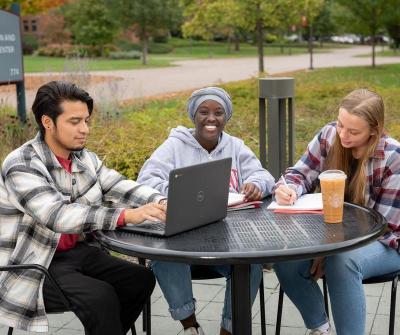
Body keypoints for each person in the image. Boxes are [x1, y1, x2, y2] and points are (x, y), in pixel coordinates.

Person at [0, 81, 168, 334]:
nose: (84, 129)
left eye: (87, 121)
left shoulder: (84, 158)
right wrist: (125, 216)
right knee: (101, 297)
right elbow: (56, 215)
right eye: (74, 121)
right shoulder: (21, 164)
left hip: (79, 253)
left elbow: (120, 185)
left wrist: (161, 201)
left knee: (140, 279)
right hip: (32, 263)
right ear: (48, 122)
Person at [137, 86, 275, 335]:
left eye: (218, 112)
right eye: (204, 112)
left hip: (229, 240)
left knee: (251, 265)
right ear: (193, 115)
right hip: (183, 239)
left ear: (226, 116)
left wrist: (257, 184)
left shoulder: (236, 146)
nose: (211, 118)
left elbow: (263, 175)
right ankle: (190, 326)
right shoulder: (175, 146)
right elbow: (145, 180)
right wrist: (177, 191)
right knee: (162, 258)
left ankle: (228, 330)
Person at [273, 88, 400, 335]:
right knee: (285, 256)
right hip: (333, 236)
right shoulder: (329, 135)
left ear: (374, 129)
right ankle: (319, 327)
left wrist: (330, 250)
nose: (343, 134)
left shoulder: (394, 158)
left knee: (343, 262)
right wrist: (289, 189)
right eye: (341, 124)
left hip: (388, 242)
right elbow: (299, 174)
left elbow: (385, 228)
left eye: (353, 131)